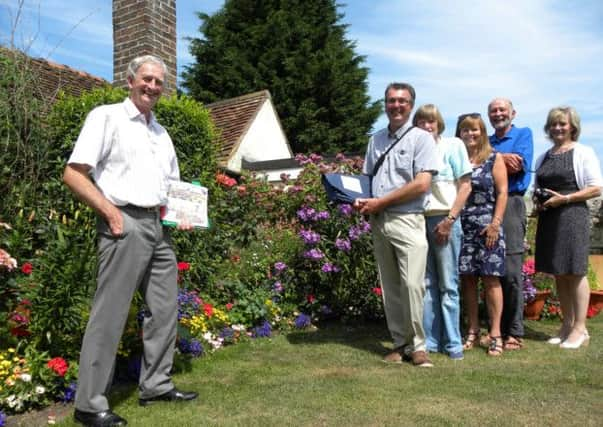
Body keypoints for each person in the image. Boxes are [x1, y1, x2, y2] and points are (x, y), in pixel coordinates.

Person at [64, 55, 197, 427]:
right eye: (147, 79)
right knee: (110, 315)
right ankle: (89, 404)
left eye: (159, 82)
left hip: (159, 227)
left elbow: (172, 188)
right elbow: (73, 174)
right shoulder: (106, 117)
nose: (153, 87)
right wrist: (110, 212)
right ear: (130, 80)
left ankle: (155, 385)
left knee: (165, 310)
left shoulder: (161, 133)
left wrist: (182, 216)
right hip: (124, 223)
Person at [354, 83, 440, 367]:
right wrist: (360, 200)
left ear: (411, 105)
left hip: (408, 219)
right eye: (391, 101)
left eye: (402, 101)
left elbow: (422, 184)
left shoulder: (422, 139)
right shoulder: (375, 140)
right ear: (385, 104)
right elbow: (367, 180)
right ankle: (400, 343)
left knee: (413, 284)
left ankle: (419, 347)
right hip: (379, 221)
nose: (396, 105)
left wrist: (381, 202)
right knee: (389, 285)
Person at [534, 106, 602, 349]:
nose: (557, 128)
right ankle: (567, 324)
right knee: (559, 272)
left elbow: (596, 187)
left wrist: (564, 199)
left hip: (572, 215)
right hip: (550, 217)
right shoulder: (545, 156)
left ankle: (580, 328)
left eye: (562, 124)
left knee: (575, 271)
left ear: (573, 127)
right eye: (553, 124)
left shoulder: (583, 152)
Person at [413, 104, 472, 360]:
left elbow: (465, 186)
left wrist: (450, 219)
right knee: (426, 284)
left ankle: (453, 343)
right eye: (422, 122)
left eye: (431, 122)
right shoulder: (415, 148)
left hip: (444, 219)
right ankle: (431, 342)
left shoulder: (453, 146)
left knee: (449, 284)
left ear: (439, 124)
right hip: (417, 219)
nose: (427, 126)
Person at [457, 114, 508, 357]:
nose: (470, 134)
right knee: (467, 279)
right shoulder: (457, 159)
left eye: (475, 129)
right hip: (462, 225)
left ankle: (495, 333)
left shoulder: (494, 158)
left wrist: (496, 223)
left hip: (489, 226)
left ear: (482, 131)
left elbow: (503, 192)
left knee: (491, 279)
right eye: (465, 130)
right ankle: (473, 331)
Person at [487, 98, 533, 351]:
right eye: (493, 111)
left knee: (513, 270)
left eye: (502, 110)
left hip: (512, 204)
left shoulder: (524, 134)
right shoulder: (487, 141)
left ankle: (514, 331)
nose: (497, 114)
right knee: (490, 271)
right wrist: (501, 158)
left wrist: (491, 159)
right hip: (487, 205)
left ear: (512, 113)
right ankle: (494, 328)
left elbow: (518, 165)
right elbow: (476, 164)